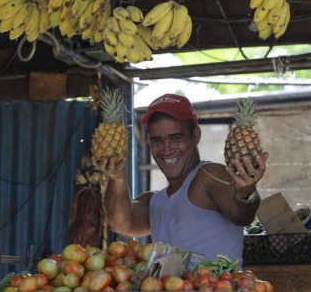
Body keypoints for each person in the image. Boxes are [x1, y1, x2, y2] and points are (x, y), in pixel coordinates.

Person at [93, 94, 269, 267]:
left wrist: (246, 193)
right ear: (149, 142)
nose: (167, 149)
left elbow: (242, 216)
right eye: (157, 140)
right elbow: (122, 224)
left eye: (176, 138)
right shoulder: (155, 201)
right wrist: (117, 180)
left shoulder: (209, 176)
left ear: (196, 135)